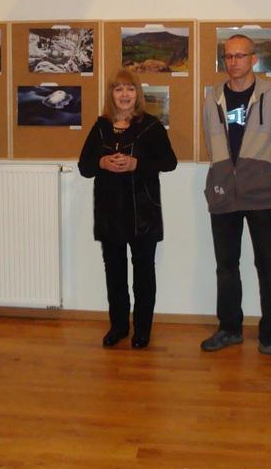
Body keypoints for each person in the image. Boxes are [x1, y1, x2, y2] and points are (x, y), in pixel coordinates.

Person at [200, 34, 271, 365]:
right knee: (226, 266)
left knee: (270, 266)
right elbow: (211, 139)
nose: (233, 62)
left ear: (253, 59)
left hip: (261, 194)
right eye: (228, 56)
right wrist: (225, 171)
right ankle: (229, 328)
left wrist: (264, 168)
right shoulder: (213, 97)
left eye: (240, 56)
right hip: (223, 193)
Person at [78, 69, 176, 349]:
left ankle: (142, 330)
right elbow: (85, 166)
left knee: (144, 274)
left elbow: (169, 162)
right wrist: (102, 162)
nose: (124, 95)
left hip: (143, 213)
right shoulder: (101, 126)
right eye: (118, 89)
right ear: (111, 94)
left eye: (130, 89)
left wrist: (137, 164)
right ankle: (118, 327)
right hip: (110, 213)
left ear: (138, 94)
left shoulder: (151, 126)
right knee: (115, 274)